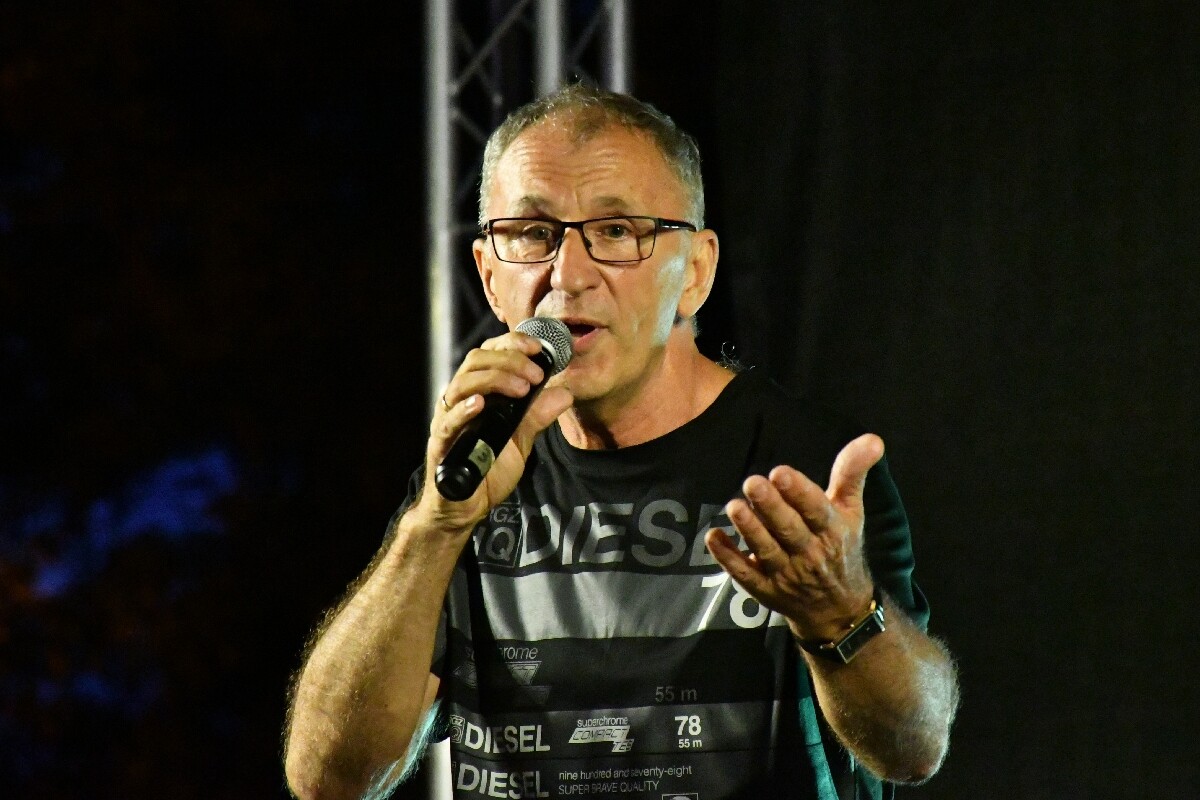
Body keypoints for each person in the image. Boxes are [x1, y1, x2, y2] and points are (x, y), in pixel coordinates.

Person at [283, 83, 959, 800]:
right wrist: (435, 528)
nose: (568, 275)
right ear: (488, 275)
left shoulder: (809, 468)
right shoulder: (473, 469)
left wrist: (842, 615)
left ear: (695, 272)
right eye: (532, 233)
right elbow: (329, 780)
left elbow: (913, 748)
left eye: (616, 232)